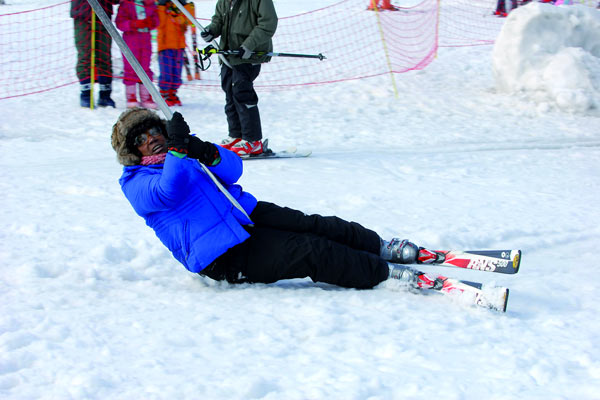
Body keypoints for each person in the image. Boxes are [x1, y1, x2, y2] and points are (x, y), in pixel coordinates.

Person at [110, 109, 447, 290]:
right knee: (310, 251)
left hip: (245, 214)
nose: (152, 139)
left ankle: (380, 246)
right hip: (222, 254)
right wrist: (180, 151)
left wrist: (203, 150)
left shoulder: (181, 152)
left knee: (318, 226)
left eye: (156, 131)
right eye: (142, 138)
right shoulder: (135, 183)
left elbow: (234, 169)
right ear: (131, 151)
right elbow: (170, 190)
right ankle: (383, 273)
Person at [201, 0, 278, 156]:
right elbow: (219, 20)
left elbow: (268, 24)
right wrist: (211, 30)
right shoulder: (224, 1)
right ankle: (236, 135)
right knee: (230, 93)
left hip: (249, 55)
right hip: (228, 55)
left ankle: (253, 140)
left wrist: (249, 45)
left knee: (242, 93)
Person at [71, 0, 119, 108]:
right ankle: (86, 94)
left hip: (103, 16)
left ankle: (105, 95)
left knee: (104, 56)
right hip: (82, 16)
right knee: (85, 55)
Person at [115, 0, 160, 109]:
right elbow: (120, 23)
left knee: (145, 67)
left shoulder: (150, 3)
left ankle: (146, 97)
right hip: (131, 38)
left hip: (145, 37)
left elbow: (156, 19)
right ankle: (131, 97)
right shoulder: (126, 3)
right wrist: (133, 24)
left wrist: (151, 22)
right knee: (130, 67)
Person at [156, 0, 195, 106]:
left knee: (176, 72)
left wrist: (185, 4)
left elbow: (190, 21)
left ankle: (173, 92)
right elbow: (159, 23)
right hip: (165, 46)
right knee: (166, 72)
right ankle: (164, 93)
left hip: (179, 46)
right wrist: (162, 5)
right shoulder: (161, 5)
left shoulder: (179, 7)